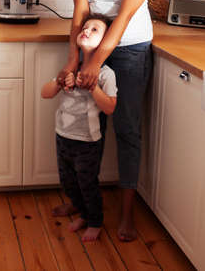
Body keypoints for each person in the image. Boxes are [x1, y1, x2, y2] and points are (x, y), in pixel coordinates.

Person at [55, 0, 164, 242]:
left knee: (127, 129)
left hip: (129, 47)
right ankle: (83, 203)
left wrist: (96, 60)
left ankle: (127, 214)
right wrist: (75, 58)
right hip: (91, 43)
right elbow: (80, 9)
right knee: (87, 129)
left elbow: (125, 15)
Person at [41, 14, 117, 242]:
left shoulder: (105, 74)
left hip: (88, 141)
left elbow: (110, 107)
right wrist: (60, 81)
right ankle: (80, 211)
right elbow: (45, 93)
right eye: (85, 27)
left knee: (87, 183)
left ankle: (94, 220)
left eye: (95, 30)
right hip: (63, 135)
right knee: (67, 180)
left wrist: (93, 88)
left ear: (106, 42)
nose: (86, 30)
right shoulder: (71, 68)